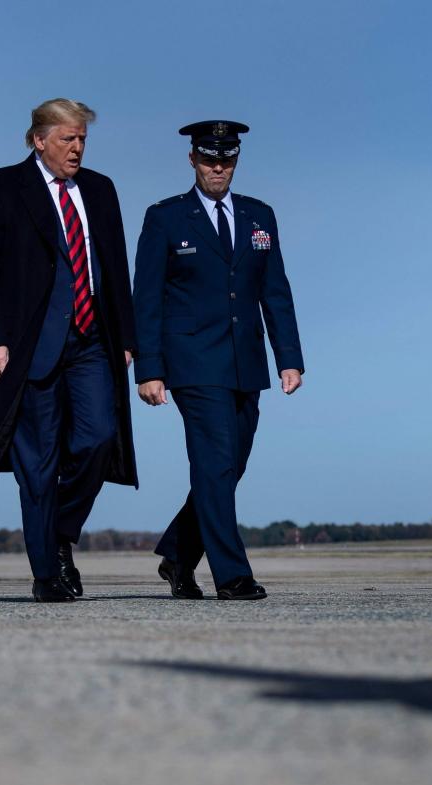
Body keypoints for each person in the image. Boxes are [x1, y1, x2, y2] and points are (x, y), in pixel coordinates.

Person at [0, 99, 138, 603]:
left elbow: (115, 267)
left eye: (81, 139)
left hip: (92, 340)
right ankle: (46, 574)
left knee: (100, 437)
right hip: (27, 345)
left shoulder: (99, 190)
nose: (76, 148)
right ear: (38, 139)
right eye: (66, 139)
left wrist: (127, 337)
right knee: (37, 464)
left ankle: (60, 532)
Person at [132, 120, 304, 600]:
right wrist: (149, 367)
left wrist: (288, 356)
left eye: (226, 159)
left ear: (236, 161)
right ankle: (232, 575)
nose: (217, 167)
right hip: (191, 362)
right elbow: (144, 297)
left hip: (246, 362)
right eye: (209, 159)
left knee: (230, 466)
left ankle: (179, 555)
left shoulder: (259, 216)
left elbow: (276, 290)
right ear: (192, 160)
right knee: (212, 465)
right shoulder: (165, 217)